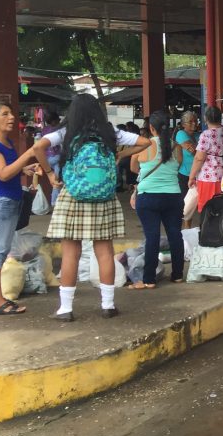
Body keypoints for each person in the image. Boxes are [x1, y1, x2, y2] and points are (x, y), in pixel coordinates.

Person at [37, 93, 149, 321]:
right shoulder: (110, 133)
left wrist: (49, 175)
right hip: (103, 198)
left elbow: (39, 147)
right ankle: (107, 305)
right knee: (104, 252)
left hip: (73, 197)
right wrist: (120, 154)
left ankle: (65, 309)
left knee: (71, 254)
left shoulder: (66, 133)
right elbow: (145, 142)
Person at [0, 102, 53, 315]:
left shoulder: (5, 143)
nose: (12, 117)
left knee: (1, 250)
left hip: (8, 201)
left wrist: (24, 168)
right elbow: (3, 173)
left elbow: (10, 171)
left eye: (11, 113)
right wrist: (29, 155)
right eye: (4, 114)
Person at [129, 110, 185, 289]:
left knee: (151, 237)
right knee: (175, 235)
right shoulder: (177, 147)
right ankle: (177, 275)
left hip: (148, 198)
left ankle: (149, 279)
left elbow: (133, 168)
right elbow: (177, 168)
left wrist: (146, 176)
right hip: (173, 196)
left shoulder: (143, 146)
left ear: (151, 128)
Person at [189, 106, 223, 212]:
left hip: (209, 177)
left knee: (208, 210)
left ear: (205, 119)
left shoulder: (206, 135)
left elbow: (199, 158)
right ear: (220, 118)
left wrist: (191, 177)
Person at [174, 110, 198, 197]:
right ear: (183, 124)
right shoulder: (181, 134)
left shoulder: (198, 135)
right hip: (185, 175)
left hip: (198, 174)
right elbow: (194, 152)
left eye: (195, 120)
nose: (194, 123)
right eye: (190, 121)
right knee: (185, 204)